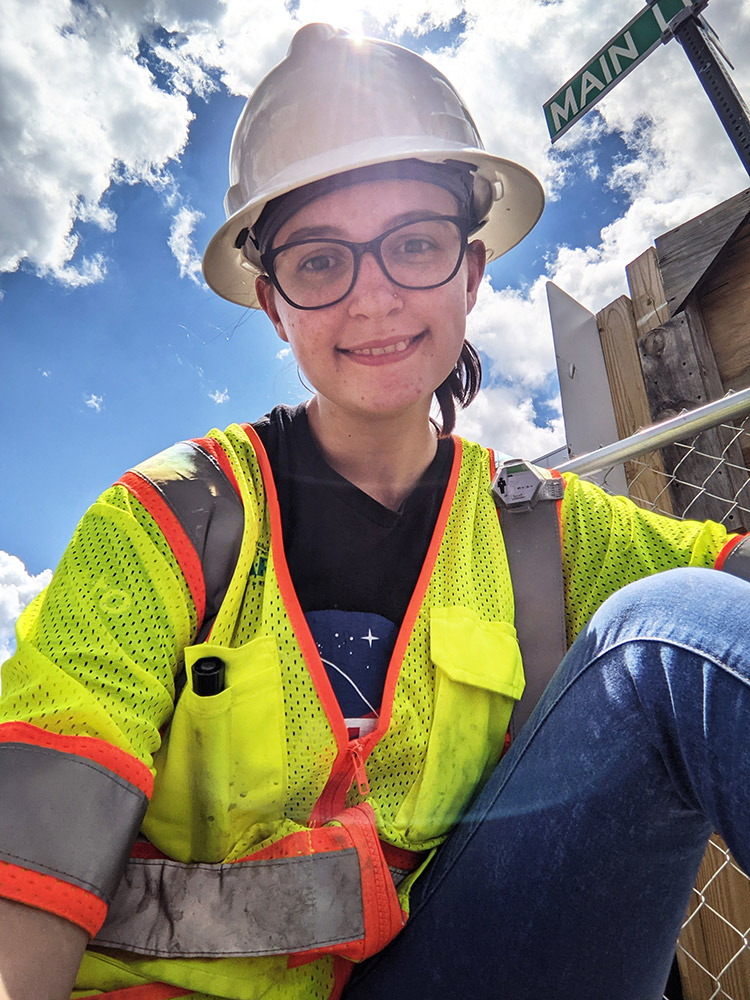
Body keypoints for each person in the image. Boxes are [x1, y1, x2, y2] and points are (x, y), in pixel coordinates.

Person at [1, 22, 750, 1000]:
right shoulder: (167, 521)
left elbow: (718, 623)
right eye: (321, 262)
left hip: (451, 971)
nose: (374, 299)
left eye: (414, 244)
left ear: (471, 272)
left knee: (670, 633)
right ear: (274, 304)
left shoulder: (545, 527)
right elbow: (29, 875)